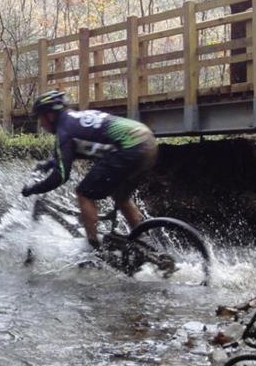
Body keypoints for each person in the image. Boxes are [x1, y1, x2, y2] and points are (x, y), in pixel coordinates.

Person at [20, 90, 158, 250]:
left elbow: (61, 176)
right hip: (147, 142)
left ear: (50, 115)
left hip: (129, 147)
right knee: (121, 197)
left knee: (83, 193)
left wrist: (34, 189)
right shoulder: (75, 120)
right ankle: (145, 243)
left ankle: (93, 248)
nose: (41, 124)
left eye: (40, 118)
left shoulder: (64, 132)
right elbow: (78, 149)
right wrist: (48, 164)